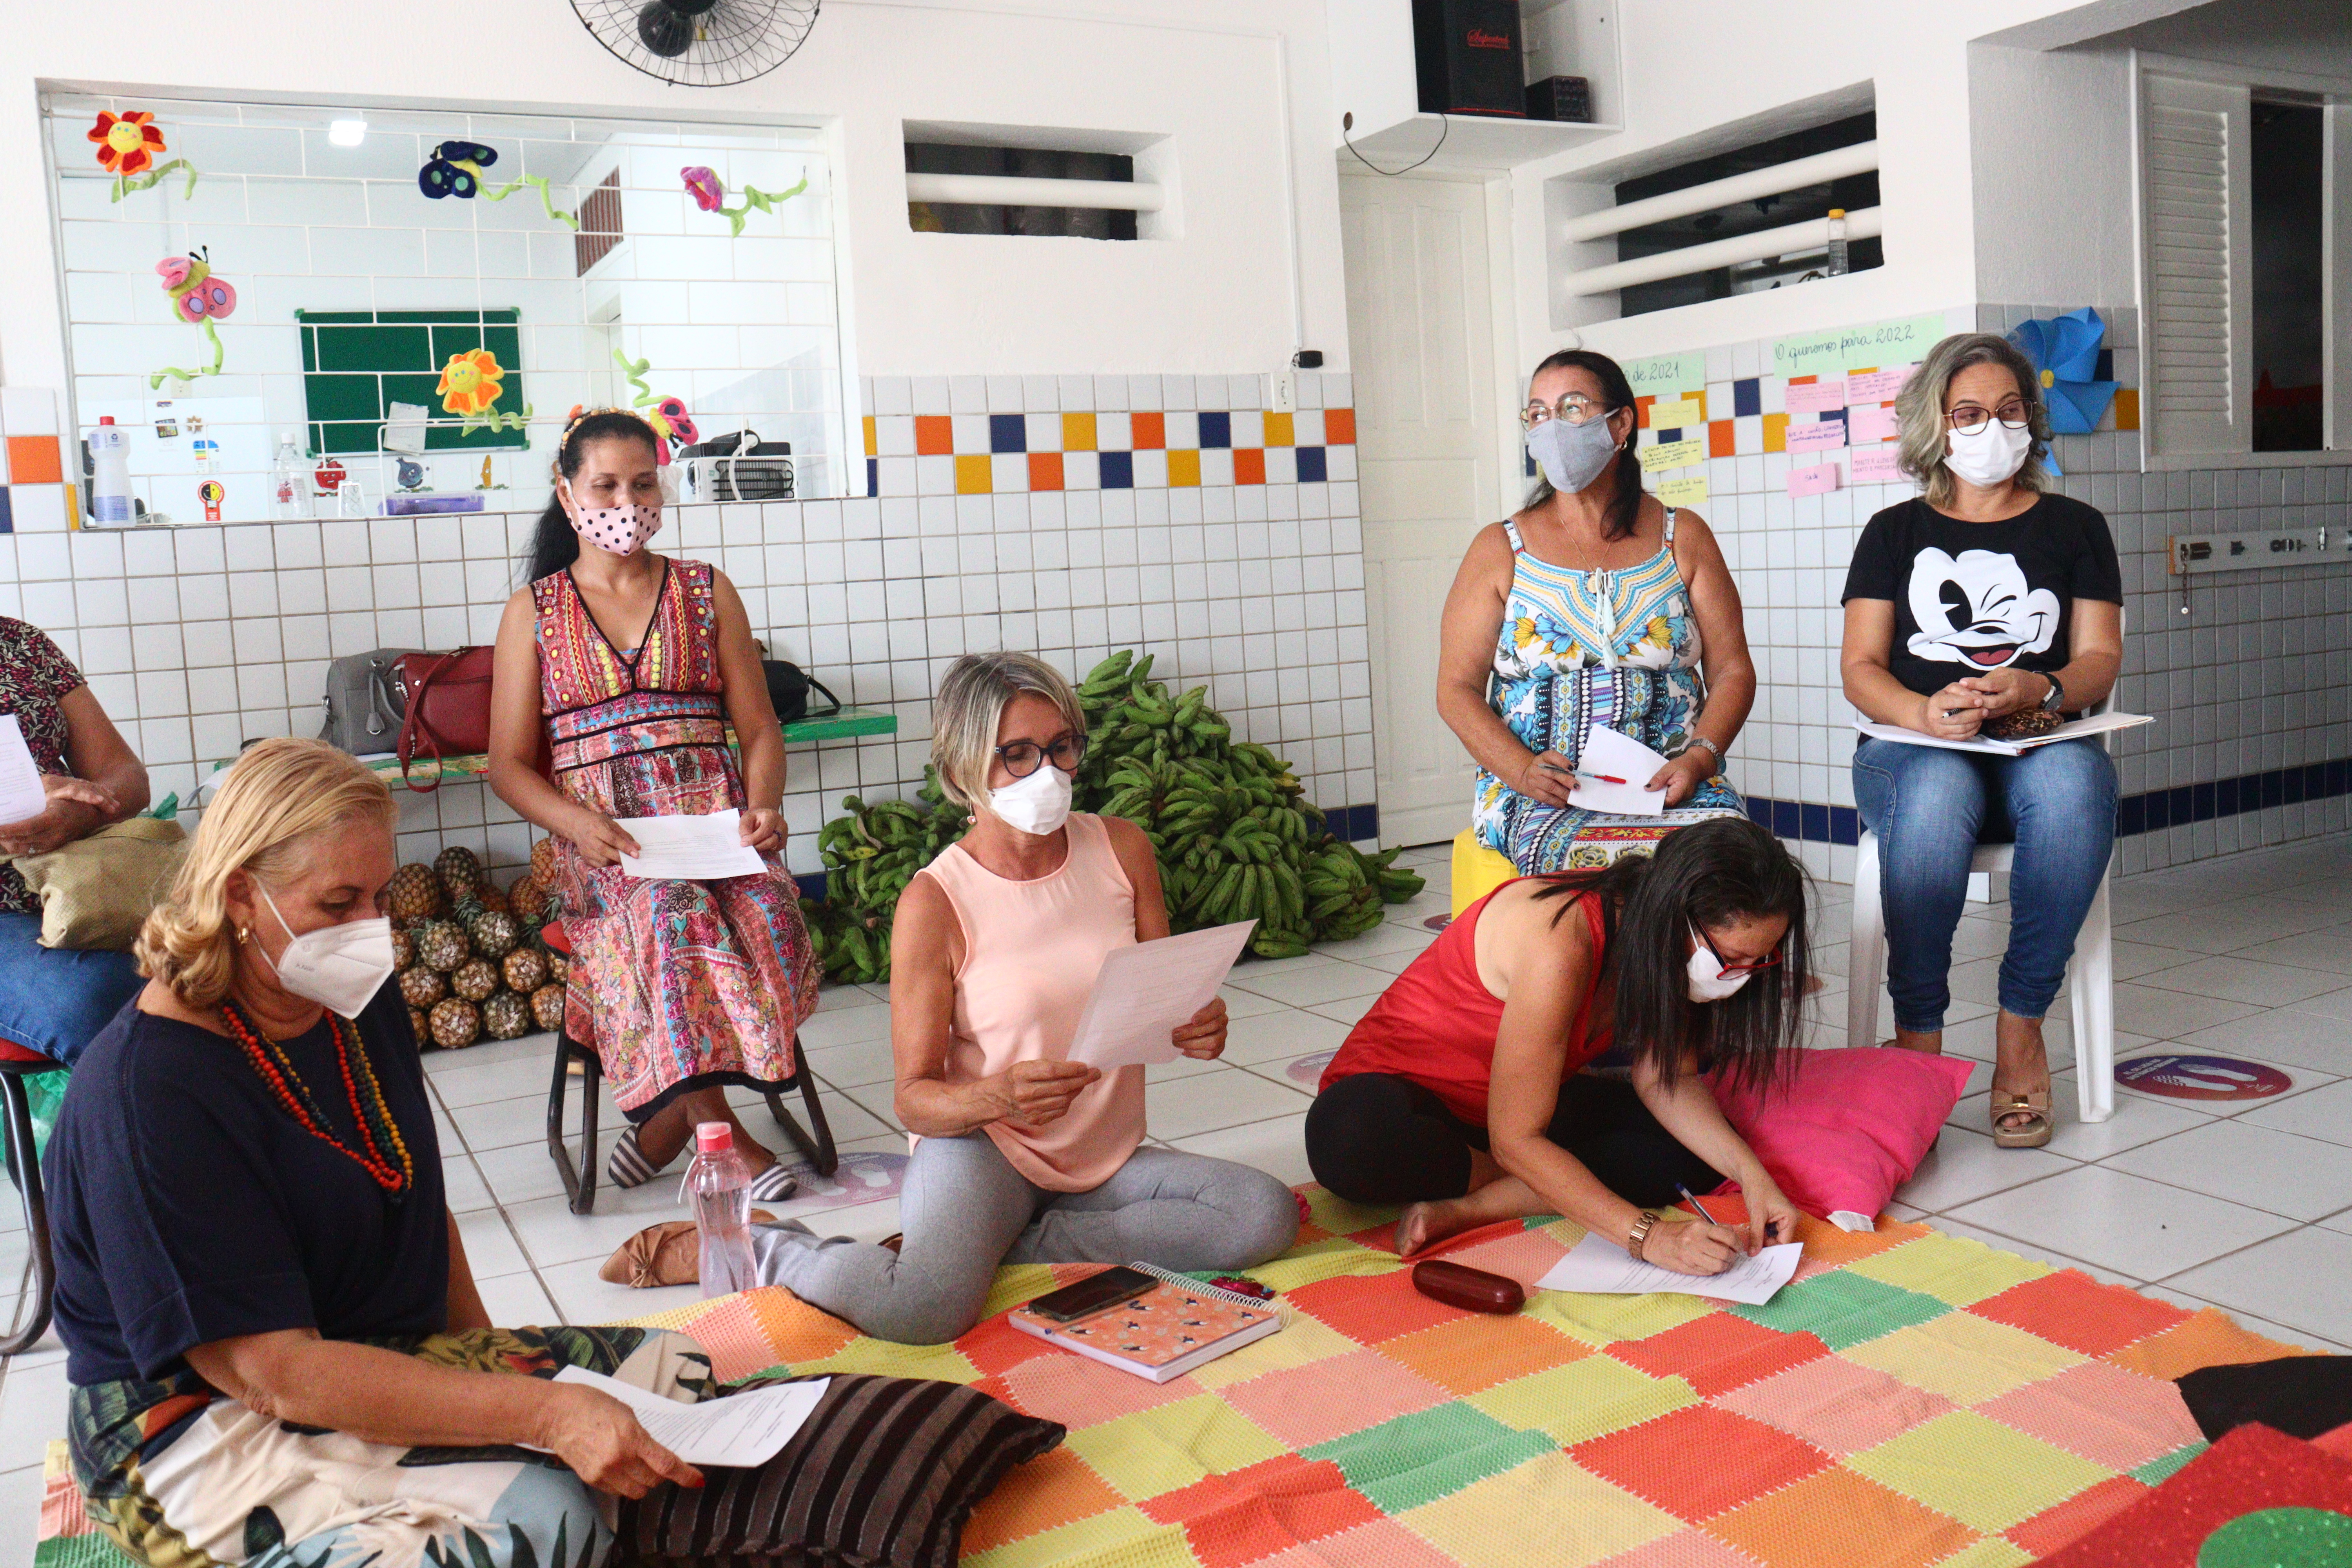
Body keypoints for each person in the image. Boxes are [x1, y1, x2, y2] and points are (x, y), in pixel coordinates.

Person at [49, 738, 716, 1568]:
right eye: (338, 901)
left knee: (678, 1375)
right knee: (536, 1517)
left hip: (358, 1351)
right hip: (199, 1426)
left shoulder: (346, 1000)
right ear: (240, 895)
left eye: (377, 897)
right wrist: (534, 1419)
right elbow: (274, 1374)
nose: (370, 928)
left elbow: (416, 1203)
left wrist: (492, 1372)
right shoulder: (147, 1093)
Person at [746, 652, 1299, 1344]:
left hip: (1102, 1157)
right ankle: (769, 1249)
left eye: (1062, 747)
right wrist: (999, 1096)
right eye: (1018, 755)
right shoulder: (935, 901)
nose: (1050, 772)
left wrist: (1200, 1023)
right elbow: (914, 1097)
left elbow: (1167, 997)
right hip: (983, 1147)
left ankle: (1016, 1245)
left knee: (1264, 1214)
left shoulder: (1123, 850)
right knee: (921, 1312)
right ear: (961, 771)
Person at [488, 407, 818, 1201]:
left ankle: (668, 1120)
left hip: (715, 827)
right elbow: (505, 764)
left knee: (771, 918)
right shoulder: (535, 611)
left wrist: (764, 805)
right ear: (567, 494)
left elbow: (760, 727)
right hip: (608, 847)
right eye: (605, 484)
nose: (625, 501)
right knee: (669, 917)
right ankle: (726, 1139)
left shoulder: (706, 590)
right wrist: (578, 825)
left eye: (642, 483)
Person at [1840, 332, 2122, 1149]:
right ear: (1936, 423)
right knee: (1936, 790)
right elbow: (1860, 668)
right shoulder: (1892, 533)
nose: (1990, 428)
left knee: (2076, 785)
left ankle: (2020, 1029)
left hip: (2039, 745)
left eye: (2008, 411)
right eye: (1969, 412)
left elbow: (2101, 657)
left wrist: (2045, 686)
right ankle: (1919, 1037)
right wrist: (1923, 713)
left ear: (2032, 422)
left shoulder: (2077, 526)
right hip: (1914, 750)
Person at [1306, 817, 1807, 1271]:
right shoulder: (1560, 941)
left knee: (1685, 1154)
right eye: (1732, 960)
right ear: (1674, 916)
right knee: (1348, 1137)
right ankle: (1527, 1180)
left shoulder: (1669, 943)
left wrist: (1754, 1178)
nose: (1738, 979)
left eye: (1757, 963)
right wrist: (1650, 1238)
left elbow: (1666, 1077)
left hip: (1516, 1108)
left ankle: (1475, 1205)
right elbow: (1515, 1137)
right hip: (1412, 1107)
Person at [1440, 350, 1755, 873]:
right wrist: (1522, 771)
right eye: (1538, 414)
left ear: (1621, 423)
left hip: (1672, 782)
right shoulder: (1498, 549)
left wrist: (1699, 759)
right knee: (1587, 873)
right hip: (1543, 791)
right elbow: (1454, 689)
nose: (1553, 428)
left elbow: (1732, 669)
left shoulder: (1685, 537)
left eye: (1572, 408)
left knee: (1730, 867)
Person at [0, 616, 152, 1063]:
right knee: (101, 1000)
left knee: (222, 964)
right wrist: (23, 798)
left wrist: (80, 812)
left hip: (82, 887)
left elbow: (128, 777)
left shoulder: (21, 643)